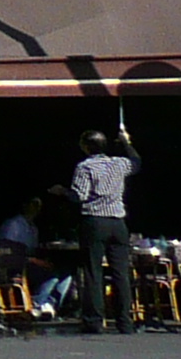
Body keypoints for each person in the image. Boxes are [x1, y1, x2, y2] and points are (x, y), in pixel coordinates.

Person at [71, 129, 142, 335]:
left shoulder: (85, 167)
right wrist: (126, 142)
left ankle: (94, 320)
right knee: (120, 272)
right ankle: (124, 321)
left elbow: (80, 195)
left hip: (95, 220)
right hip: (118, 222)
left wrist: (62, 192)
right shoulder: (119, 163)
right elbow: (136, 162)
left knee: (94, 271)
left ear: (86, 147)